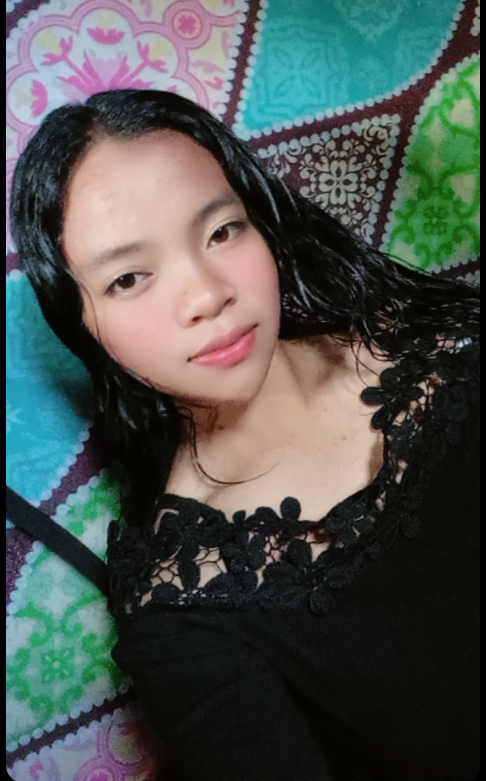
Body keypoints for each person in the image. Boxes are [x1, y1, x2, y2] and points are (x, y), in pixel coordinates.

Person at [10, 89, 479, 781]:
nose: (207, 295)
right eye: (130, 278)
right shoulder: (187, 610)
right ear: (81, 326)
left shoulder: (440, 340)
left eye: (222, 231)